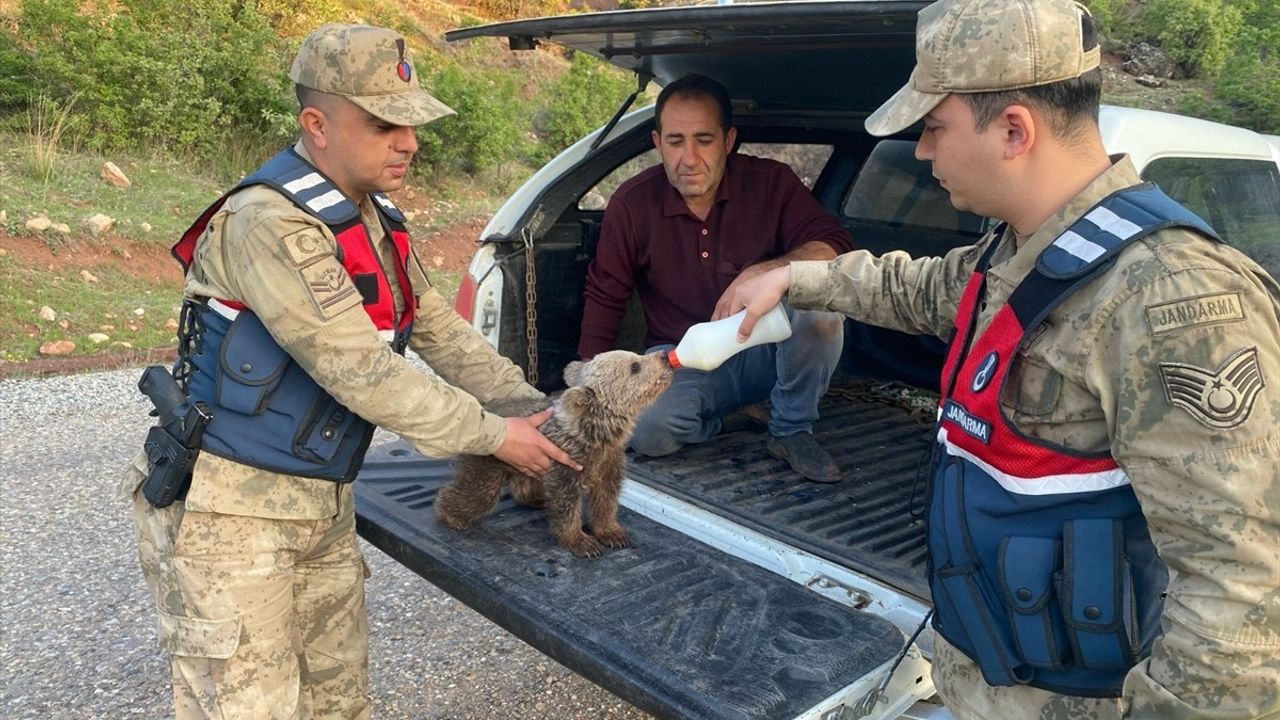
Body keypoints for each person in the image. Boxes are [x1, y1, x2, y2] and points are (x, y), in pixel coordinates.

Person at [731, 0, 1280, 717]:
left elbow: (1240, 595)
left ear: (1014, 130)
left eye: (933, 128)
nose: (922, 153)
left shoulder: (1169, 300)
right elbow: (925, 288)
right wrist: (798, 278)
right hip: (987, 672)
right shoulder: (1022, 250)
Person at [121, 24, 580, 719]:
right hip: (234, 519)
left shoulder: (371, 217)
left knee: (340, 703)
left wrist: (537, 410)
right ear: (317, 123)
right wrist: (495, 435)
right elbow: (360, 372)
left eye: (412, 124)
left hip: (321, 504)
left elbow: (437, 328)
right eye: (385, 124)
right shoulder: (267, 223)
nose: (410, 142)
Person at [579, 73, 854, 482]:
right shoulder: (633, 203)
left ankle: (791, 429)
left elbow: (835, 244)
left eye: (704, 140)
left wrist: (766, 270)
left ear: (728, 141)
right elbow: (606, 293)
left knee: (820, 309)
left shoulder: (771, 183)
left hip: (767, 351)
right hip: (681, 359)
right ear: (658, 144)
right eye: (675, 142)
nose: (688, 158)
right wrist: (588, 389)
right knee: (649, 432)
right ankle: (731, 422)